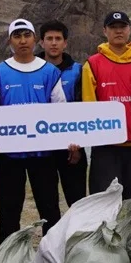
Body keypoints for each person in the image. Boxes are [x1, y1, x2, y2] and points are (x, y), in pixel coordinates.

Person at [0, 19, 71, 242]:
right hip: (10, 155)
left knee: (49, 208)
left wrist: (68, 139)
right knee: (9, 210)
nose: (22, 41)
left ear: (35, 40)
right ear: (10, 41)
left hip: (43, 154)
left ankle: (52, 253)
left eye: (27, 35)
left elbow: (60, 111)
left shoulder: (50, 72)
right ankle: (8, 256)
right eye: (17, 36)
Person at [82, 11, 131, 200]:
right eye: (113, 27)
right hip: (106, 148)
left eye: (122, 27)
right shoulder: (92, 64)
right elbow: (88, 107)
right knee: (105, 202)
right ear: (105, 31)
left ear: (129, 30)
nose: (118, 31)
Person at [39, 20, 88, 205]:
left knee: (77, 201)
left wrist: (79, 145)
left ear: (65, 43)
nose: (54, 43)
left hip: (72, 148)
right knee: (47, 203)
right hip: (43, 148)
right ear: (41, 42)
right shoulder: (32, 70)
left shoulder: (78, 71)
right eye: (49, 38)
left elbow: (83, 109)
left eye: (58, 39)